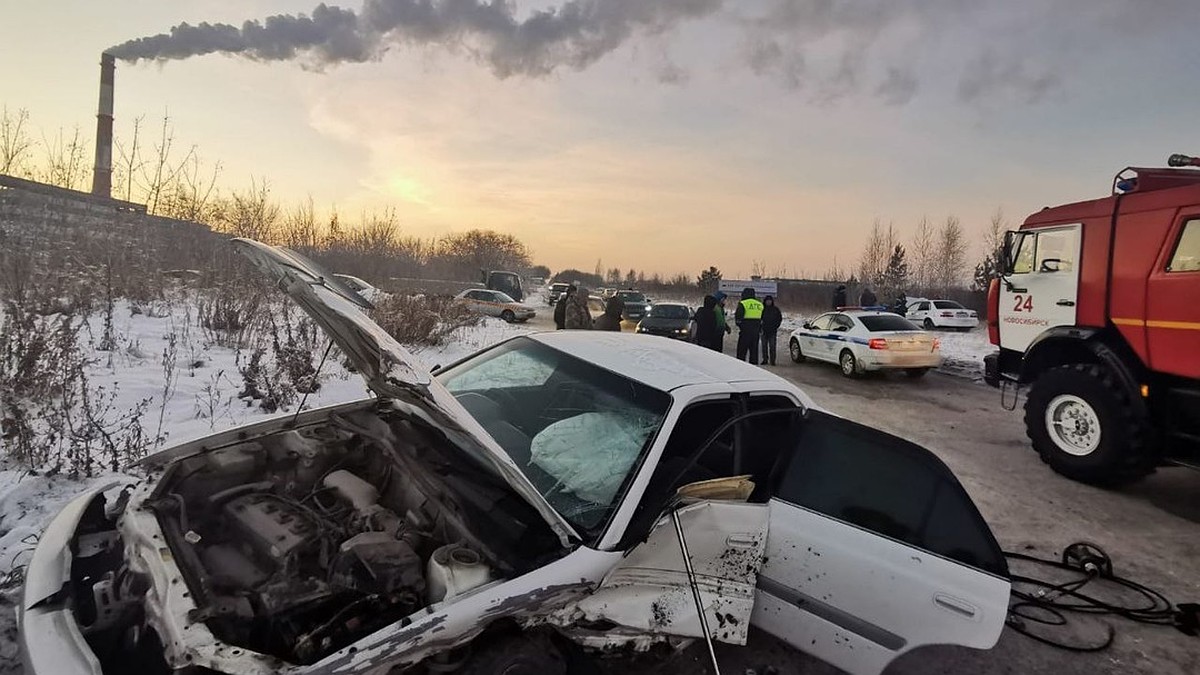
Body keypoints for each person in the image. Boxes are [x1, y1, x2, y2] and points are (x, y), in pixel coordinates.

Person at [735, 287, 764, 363]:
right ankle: (753, 369)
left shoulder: (743, 303)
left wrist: (741, 325)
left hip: (745, 332)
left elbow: (738, 318)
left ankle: (741, 369)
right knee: (754, 353)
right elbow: (763, 318)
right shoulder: (760, 304)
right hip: (756, 332)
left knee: (741, 353)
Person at [760, 295, 782, 366]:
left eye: (770, 301)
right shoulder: (762, 309)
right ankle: (765, 359)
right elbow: (759, 319)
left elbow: (779, 319)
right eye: (767, 301)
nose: (768, 302)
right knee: (764, 346)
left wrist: (776, 326)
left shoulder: (775, 309)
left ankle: (773, 361)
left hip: (772, 331)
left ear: (772, 301)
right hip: (764, 330)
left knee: (772, 346)